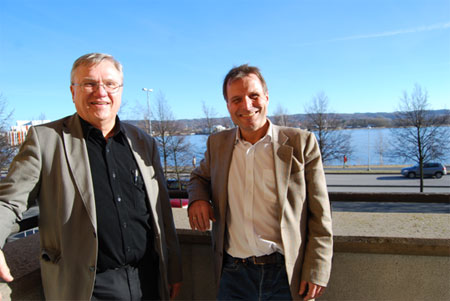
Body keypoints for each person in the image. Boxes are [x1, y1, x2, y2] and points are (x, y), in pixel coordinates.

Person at [0, 53, 182, 300]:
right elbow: (10, 200)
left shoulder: (143, 143)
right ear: (72, 91)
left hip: (147, 279)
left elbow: (161, 211)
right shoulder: (45, 140)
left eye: (109, 84)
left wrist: (173, 270)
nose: (101, 92)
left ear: (120, 90)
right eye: (89, 84)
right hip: (88, 287)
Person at [187, 64, 333, 300]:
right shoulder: (218, 144)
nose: (246, 105)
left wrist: (317, 268)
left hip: (286, 275)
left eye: (253, 95)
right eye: (236, 99)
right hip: (233, 275)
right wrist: (198, 198)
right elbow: (199, 177)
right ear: (228, 106)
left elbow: (320, 213)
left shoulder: (301, 143)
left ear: (266, 97)